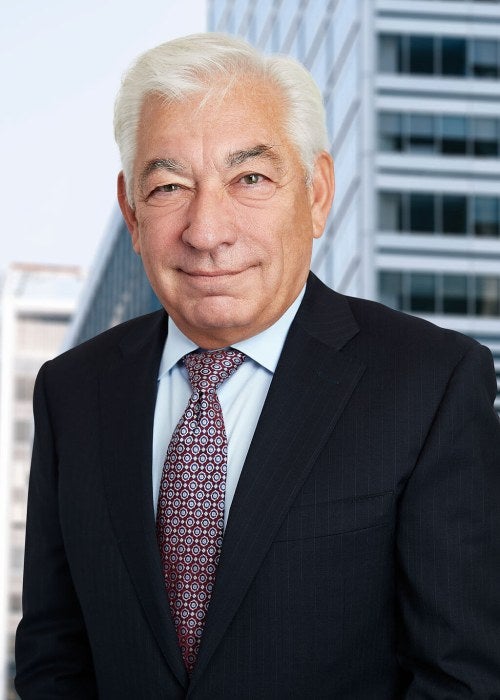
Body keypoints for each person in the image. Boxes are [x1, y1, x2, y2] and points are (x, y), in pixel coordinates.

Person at [15, 32, 500, 699]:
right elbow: (53, 656)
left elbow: (462, 677)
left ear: (317, 193)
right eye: (170, 186)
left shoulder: (430, 381)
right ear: (131, 210)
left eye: (250, 178)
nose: (207, 230)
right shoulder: (72, 393)